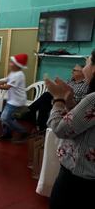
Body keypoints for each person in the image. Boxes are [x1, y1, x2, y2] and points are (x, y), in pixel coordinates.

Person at [45, 49, 95, 209]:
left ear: (94, 68)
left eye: (87, 63)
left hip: (78, 176)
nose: (85, 67)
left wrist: (58, 99)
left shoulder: (93, 99)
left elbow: (60, 130)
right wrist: (70, 103)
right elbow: (85, 121)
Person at [16, 64, 88, 132]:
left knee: (47, 94)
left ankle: (29, 113)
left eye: (74, 70)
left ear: (81, 73)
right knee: (43, 106)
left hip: (72, 106)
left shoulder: (86, 84)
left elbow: (82, 100)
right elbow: (61, 89)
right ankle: (42, 131)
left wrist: (69, 95)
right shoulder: (70, 81)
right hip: (60, 102)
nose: (72, 72)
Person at [0, 53, 29, 142]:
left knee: (5, 117)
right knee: (5, 117)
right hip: (12, 100)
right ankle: (7, 134)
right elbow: (3, 81)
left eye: (12, 63)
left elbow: (7, 87)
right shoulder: (13, 73)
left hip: (17, 101)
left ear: (17, 65)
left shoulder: (19, 75)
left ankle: (23, 132)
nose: (10, 64)